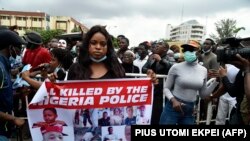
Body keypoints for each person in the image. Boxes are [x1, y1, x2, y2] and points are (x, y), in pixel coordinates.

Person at [159, 40, 219, 125]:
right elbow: (166, 88)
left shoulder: (203, 70)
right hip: (173, 107)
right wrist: (173, 101)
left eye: (192, 50)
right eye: (186, 50)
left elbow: (203, 94)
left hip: (189, 109)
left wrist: (216, 81)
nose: (188, 52)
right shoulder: (176, 67)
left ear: (198, 52)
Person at [0, 29, 26, 140]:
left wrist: (18, 94)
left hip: (5, 128)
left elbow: (2, 95)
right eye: (18, 47)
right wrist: (12, 118)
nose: (19, 51)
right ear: (10, 48)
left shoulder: (4, 65)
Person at [218, 54, 250, 124]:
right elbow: (234, 91)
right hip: (240, 110)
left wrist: (224, 77)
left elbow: (248, 95)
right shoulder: (242, 72)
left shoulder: (247, 71)